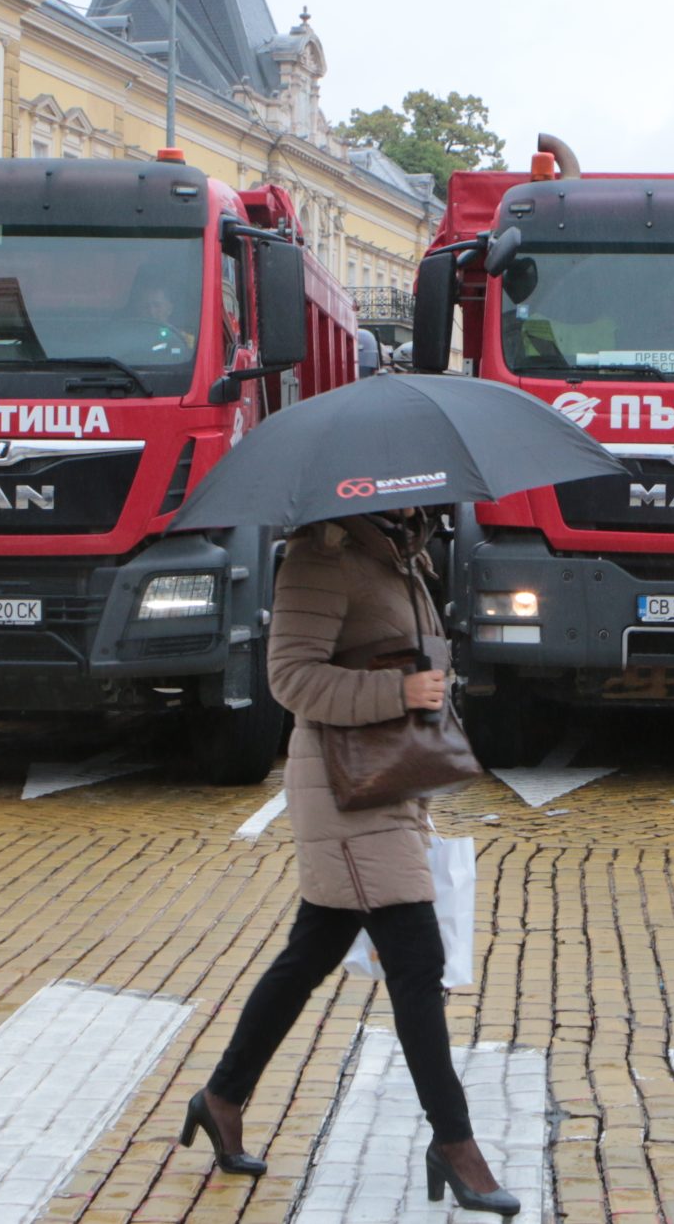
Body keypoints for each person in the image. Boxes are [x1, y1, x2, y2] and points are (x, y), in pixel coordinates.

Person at [184, 509, 520, 1216]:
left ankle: (222, 1095)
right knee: (416, 962)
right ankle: (455, 1144)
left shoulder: (402, 554)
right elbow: (292, 679)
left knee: (310, 953)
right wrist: (397, 692)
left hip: (389, 778)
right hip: (344, 788)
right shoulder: (321, 554)